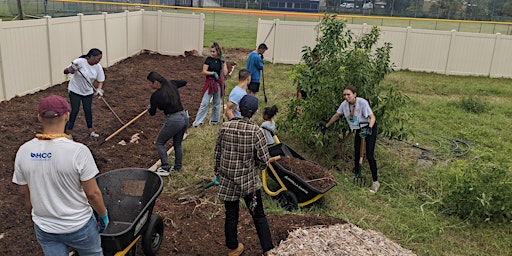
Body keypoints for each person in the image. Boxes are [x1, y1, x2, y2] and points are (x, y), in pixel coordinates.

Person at [12, 95, 108, 255]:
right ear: (67, 116)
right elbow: (92, 194)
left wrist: (36, 215)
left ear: (39, 117)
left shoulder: (24, 151)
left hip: (45, 228)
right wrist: (103, 215)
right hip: (79, 226)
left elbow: (24, 192)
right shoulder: (78, 151)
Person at [214, 94, 274, 256]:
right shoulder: (256, 131)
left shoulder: (225, 127)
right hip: (249, 184)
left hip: (228, 181)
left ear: (239, 109)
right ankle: (268, 250)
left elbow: (217, 154)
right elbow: (264, 160)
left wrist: (217, 173)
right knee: (259, 216)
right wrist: (256, 167)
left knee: (231, 215)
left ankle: (233, 247)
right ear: (255, 112)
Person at [321, 85, 380, 193]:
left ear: (354, 95)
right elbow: (337, 115)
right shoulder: (344, 105)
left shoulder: (362, 103)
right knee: (357, 153)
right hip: (359, 129)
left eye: (348, 94)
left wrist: (369, 129)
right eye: (344, 95)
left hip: (369, 127)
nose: (346, 97)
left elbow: (372, 117)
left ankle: (375, 182)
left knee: (370, 154)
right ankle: (357, 175)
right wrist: (326, 126)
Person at [146, 71, 189, 176]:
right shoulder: (172, 84)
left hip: (174, 120)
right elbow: (184, 82)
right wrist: (172, 85)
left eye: (150, 83)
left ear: (156, 82)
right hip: (184, 116)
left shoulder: (155, 96)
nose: (150, 85)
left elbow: (152, 113)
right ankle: (177, 168)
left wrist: (149, 108)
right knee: (177, 143)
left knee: (159, 142)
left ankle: (165, 167)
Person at [64, 48, 105, 138]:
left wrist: (99, 89)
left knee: (88, 111)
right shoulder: (79, 62)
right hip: (75, 90)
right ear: (91, 56)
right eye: (98, 58)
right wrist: (72, 68)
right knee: (75, 110)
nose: (99, 61)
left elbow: (100, 80)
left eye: (100, 59)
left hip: (88, 91)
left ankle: (91, 131)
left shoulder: (98, 67)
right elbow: (65, 71)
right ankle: (68, 132)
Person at [192, 42, 228, 127]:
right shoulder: (208, 59)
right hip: (210, 83)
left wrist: (224, 63)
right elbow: (204, 71)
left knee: (216, 103)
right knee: (205, 102)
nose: (212, 53)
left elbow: (225, 73)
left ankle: (214, 121)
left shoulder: (220, 60)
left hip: (218, 83)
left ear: (218, 52)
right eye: (211, 51)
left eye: (213, 51)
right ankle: (198, 122)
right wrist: (212, 73)